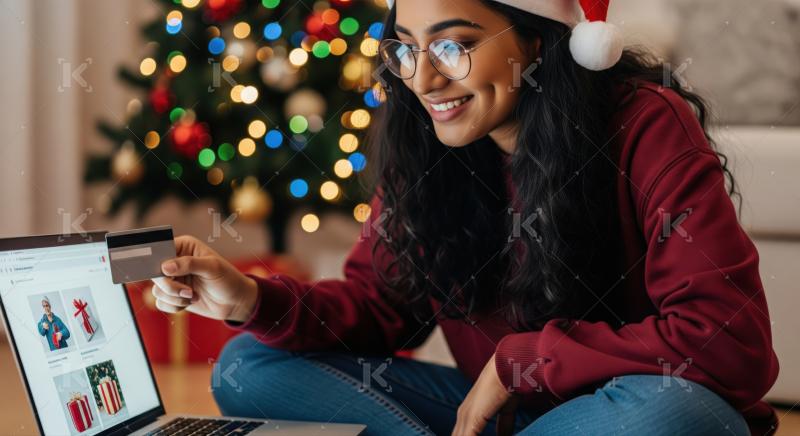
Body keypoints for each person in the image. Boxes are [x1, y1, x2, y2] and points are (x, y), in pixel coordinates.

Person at [150, 0, 780, 434]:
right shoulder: (428, 145)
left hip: (626, 411)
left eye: (454, 45)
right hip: (494, 416)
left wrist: (520, 361)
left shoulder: (645, 124)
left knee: (674, 414)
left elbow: (731, 345)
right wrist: (251, 299)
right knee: (247, 364)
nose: (422, 78)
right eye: (406, 49)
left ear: (535, 39)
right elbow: (377, 307)